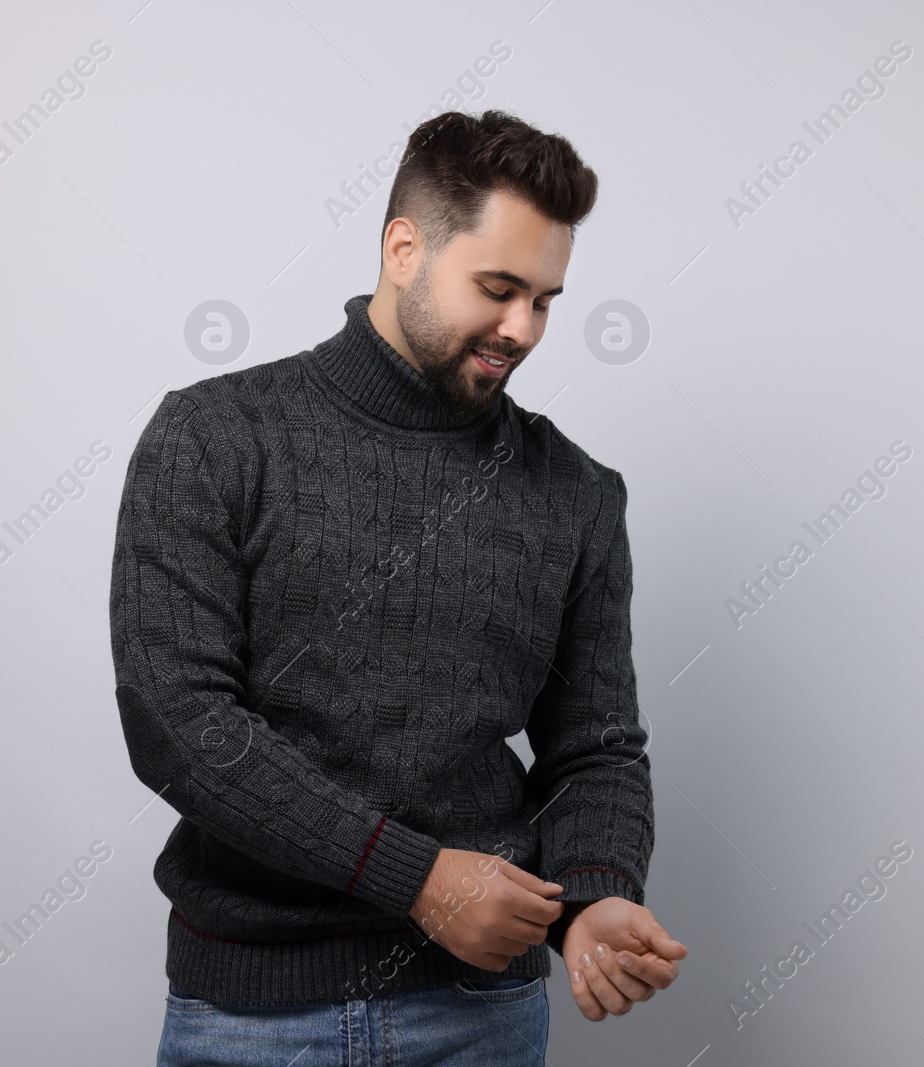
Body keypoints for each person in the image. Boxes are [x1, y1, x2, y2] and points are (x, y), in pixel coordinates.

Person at [108, 108, 686, 1065]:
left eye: (544, 300)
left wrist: (594, 895)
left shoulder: (576, 492)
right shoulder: (213, 439)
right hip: (251, 1018)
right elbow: (179, 723)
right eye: (498, 289)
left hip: (479, 1017)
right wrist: (416, 877)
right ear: (404, 248)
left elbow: (595, 747)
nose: (522, 328)